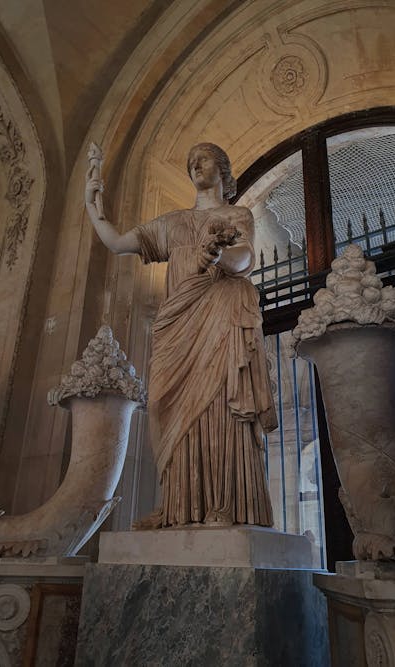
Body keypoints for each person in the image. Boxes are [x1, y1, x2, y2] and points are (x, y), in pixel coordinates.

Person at [85, 142, 277, 528]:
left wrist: (219, 256)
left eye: (202, 159)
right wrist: (92, 205)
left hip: (220, 312)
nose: (195, 166)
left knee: (221, 404)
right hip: (179, 323)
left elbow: (244, 260)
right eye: (191, 162)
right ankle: (177, 507)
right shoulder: (170, 223)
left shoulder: (236, 214)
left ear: (222, 169)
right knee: (162, 405)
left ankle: (227, 505)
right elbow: (117, 242)